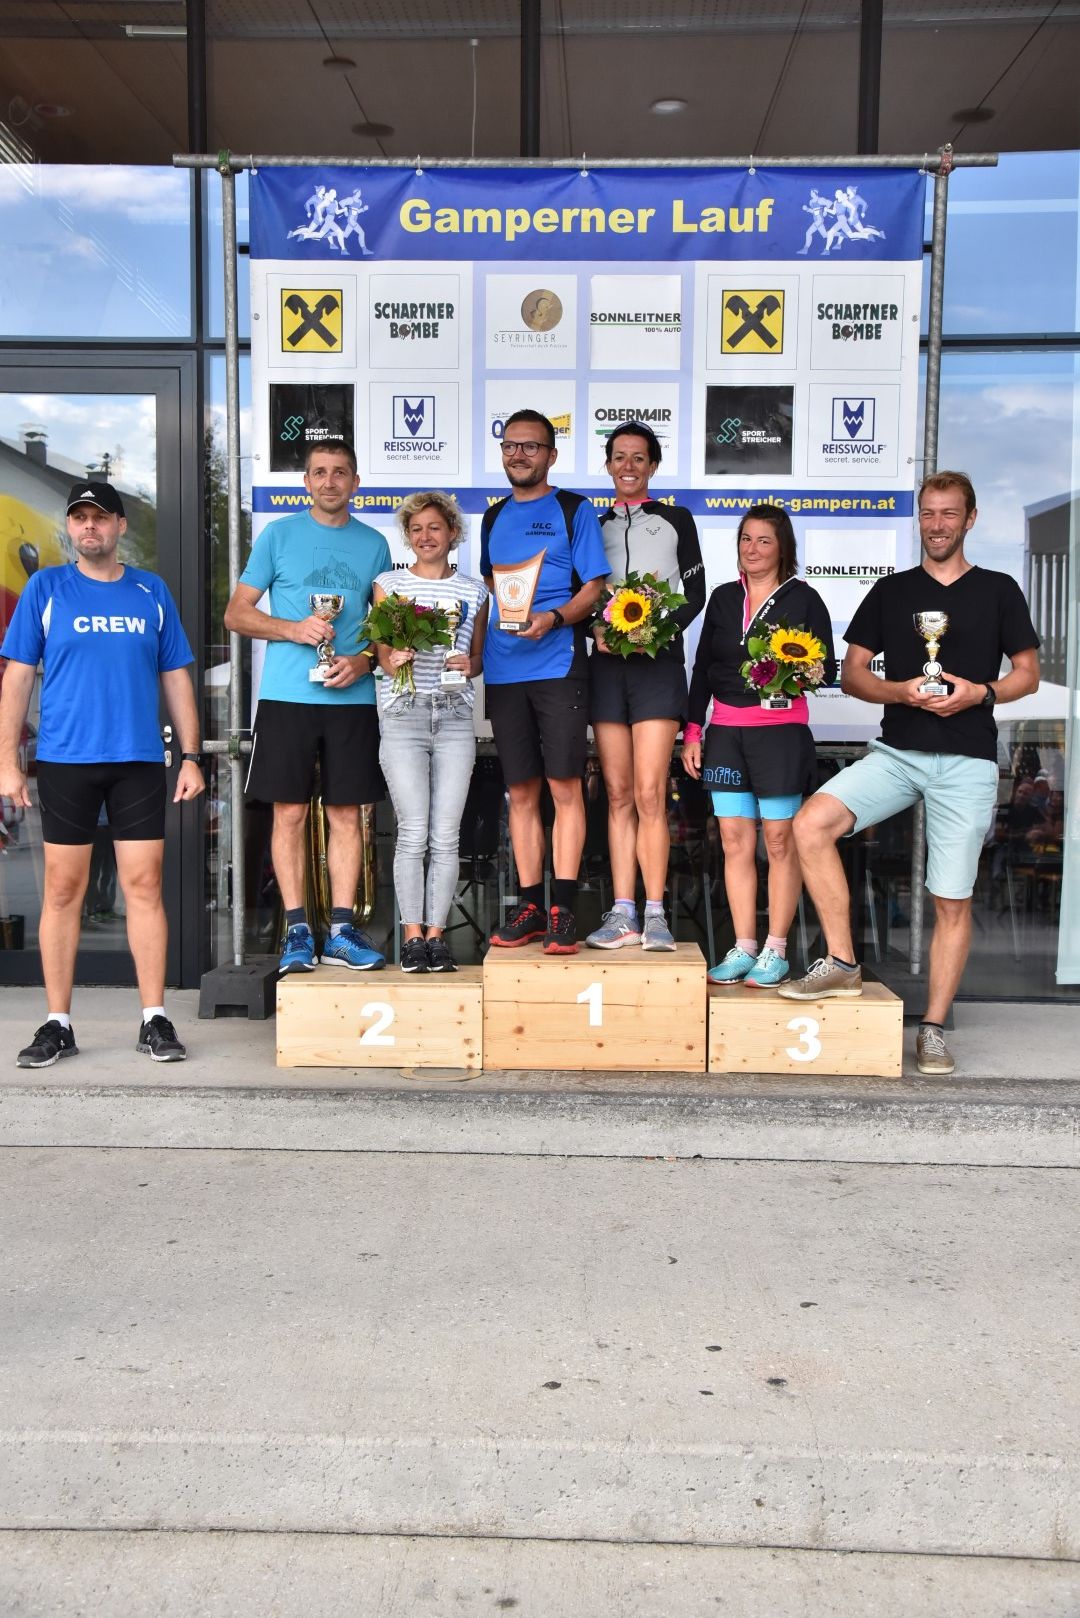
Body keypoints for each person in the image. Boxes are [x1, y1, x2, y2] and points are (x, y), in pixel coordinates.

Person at [779, 471, 1041, 1075]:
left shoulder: (999, 590)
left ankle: (934, 1028)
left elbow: (1027, 673)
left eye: (949, 513)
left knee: (951, 899)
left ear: (970, 519)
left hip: (967, 760)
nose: (937, 524)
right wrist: (900, 691)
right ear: (918, 518)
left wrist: (981, 693)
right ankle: (843, 963)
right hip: (897, 754)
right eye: (928, 513)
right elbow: (851, 674)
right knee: (811, 824)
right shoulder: (891, 591)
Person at [0, 481, 204, 1067]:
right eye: (79, 518)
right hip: (66, 761)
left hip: (137, 760)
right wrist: (8, 761)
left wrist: (192, 755)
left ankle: (154, 1018)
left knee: (144, 887)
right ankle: (58, 1023)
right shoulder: (46, 588)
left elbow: (176, 675)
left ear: (119, 526)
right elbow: (18, 676)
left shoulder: (151, 590)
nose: (89, 526)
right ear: (71, 527)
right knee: (64, 891)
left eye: (100, 517)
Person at [224, 439, 390, 975]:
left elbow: (385, 632)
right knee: (290, 813)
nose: (329, 481)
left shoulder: (375, 545)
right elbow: (236, 614)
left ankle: (341, 930)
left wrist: (363, 662)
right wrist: (293, 629)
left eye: (340, 472)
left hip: (352, 699)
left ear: (355, 483)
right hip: (286, 697)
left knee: (347, 815)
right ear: (306, 482)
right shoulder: (278, 535)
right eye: (320, 472)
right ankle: (297, 929)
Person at [683, 504, 834, 987]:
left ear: (782, 547)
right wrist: (693, 730)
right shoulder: (724, 598)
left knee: (779, 841)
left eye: (764, 540)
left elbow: (826, 668)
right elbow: (703, 668)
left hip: (779, 734)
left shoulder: (804, 599)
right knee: (733, 841)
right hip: (726, 733)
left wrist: (796, 670)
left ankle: (776, 949)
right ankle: (744, 946)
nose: (753, 548)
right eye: (746, 539)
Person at [480, 409, 610, 954]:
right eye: (510, 445)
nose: (519, 455)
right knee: (521, 791)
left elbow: (595, 589)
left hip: (558, 665)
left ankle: (564, 907)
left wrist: (553, 618)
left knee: (564, 786)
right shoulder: (492, 517)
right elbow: (493, 588)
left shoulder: (574, 509)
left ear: (551, 455)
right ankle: (532, 905)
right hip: (504, 669)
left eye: (530, 446)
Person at [586, 421, 706, 951]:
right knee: (616, 794)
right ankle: (623, 912)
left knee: (650, 792)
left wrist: (655, 631)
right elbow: (583, 595)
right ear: (608, 465)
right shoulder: (593, 524)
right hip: (607, 668)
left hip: (658, 666)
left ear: (653, 466)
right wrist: (595, 630)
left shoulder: (677, 519)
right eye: (620, 457)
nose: (628, 466)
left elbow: (696, 593)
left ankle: (655, 913)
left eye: (639, 458)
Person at [370, 491, 489, 973]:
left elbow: (477, 658)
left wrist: (469, 665)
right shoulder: (388, 584)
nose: (425, 537)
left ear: (453, 533)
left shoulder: (475, 591)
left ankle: (437, 937)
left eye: (435, 527)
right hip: (404, 715)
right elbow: (380, 652)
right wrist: (392, 658)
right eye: (416, 529)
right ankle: (412, 937)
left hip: (455, 716)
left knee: (445, 835)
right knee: (413, 832)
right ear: (407, 536)